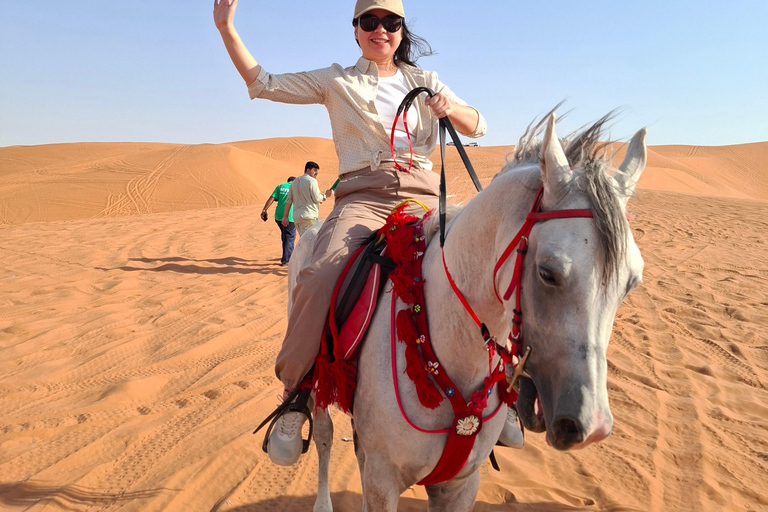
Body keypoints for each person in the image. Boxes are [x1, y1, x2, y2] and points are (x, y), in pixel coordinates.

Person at [214, 0, 523, 466]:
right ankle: (295, 393)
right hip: (364, 198)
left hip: (424, 197)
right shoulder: (336, 80)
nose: (381, 30)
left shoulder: (423, 81)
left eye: (391, 22)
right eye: (370, 21)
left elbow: (480, 123)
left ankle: (508, 389)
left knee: (493, 257)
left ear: (401, 30)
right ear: (356, 30)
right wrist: (226, 29)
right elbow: (264, 84)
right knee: (319, 274)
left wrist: (450, 109)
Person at [282, 161, 333, 237]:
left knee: (304, 240)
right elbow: (317, 198)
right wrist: (326, 195)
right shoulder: (312, 181)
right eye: (315, 170)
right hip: (309, 216)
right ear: (308, 170)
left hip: (297, 217)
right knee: (311, 242)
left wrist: (285, 216)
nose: (316, 173)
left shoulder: (294, 182)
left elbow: (289, 200)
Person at [261, 176, 296, 265]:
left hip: (279, 216)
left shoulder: (280, 186)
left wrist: (264, 210)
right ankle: (286, 260)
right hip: (289, 216)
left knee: (285, 235)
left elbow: (272, 198)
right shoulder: (295, 187)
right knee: (289, 236)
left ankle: (288, 255)